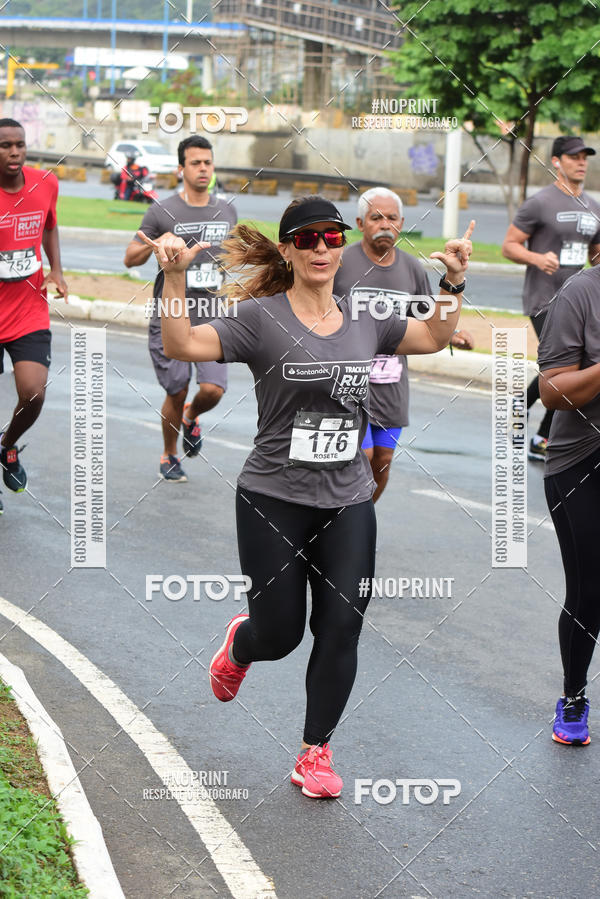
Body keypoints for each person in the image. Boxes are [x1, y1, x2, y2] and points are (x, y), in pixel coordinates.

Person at [138, 196, 475, 798]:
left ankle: (314, 751)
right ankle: (243, 642)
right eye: (309, 238)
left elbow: (431, 336)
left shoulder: (365, 318)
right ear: (290, 249)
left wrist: (452, 280)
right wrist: (171, 276)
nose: (323, 247)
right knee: (282, 634)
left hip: (348, 498)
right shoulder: (263, 319)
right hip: (274, 497)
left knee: (343, 625)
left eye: (331, 237)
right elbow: (184, 345)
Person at [334, 187, 474, 501]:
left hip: (391, 386)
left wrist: (451, 334)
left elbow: (427, 320)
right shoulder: (341, 262)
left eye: (392, 218)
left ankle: (361, 520)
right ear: (360, 222)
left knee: (382, 461)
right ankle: (340, 527)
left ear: (402, 222)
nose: (385, 224)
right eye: (376, 218)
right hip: (348, 385)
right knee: (362, 457)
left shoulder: (411, 268)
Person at [124, 135, 237, 482]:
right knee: (176, 389)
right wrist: (154, 246)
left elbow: (231, 256)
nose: (203, 168)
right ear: (181, 169)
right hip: (171, 312)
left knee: (213, 390)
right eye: (195, 163)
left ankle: (191, 417)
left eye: (208, 162)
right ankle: (170, 454)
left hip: (213, 314)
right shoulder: (162, 210)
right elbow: (130, 258)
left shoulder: (227, 210)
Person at [502, 135, 600, 462]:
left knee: (570, 366)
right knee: (565, 368)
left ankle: (520, 404)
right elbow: (510, 245)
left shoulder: (593, 207)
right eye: (573, 156)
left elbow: (596, 253)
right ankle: (543, 436)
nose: (581, 162)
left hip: (581, 303)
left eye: (585, 156)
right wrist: (536, 258)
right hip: (545, 300)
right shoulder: (540, 203)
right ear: (556, 161)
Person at [538, 264, 600, 746]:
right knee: (590, 588)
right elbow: (552, 391)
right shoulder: (580, 293)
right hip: (582, 462)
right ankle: (574, 697)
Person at [0, 118, 68, 515]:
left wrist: (56, 269)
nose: (14, 152)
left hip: (28, 309)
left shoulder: (46, 183)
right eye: (5, 145)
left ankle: (7, 446)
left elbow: (50, 226)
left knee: (33, 392)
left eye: (19, 145)